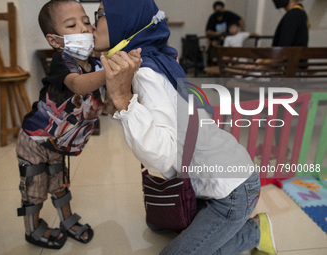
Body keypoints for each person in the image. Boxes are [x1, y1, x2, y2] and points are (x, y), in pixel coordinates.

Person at [93, 0, 277, 254]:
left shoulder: (145, 74)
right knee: (157, 223)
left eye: (99, 15)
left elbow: (164, 157)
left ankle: (254, 231)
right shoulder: (153, 57)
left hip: (233, 192)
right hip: (225, 174)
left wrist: (124, 102)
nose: (92, 25)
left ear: (123, 19)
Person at [16, 0, 141, 249]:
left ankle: (67, 219)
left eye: (86, 21)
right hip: (36, 139)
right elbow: (77, 85)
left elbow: (105, 102)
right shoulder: (63, 61)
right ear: (55, 41)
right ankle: (32, 228)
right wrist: (111, 70)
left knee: (60, 183)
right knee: (35, 187)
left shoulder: (96, 64)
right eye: (72, 25)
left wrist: (125, 78)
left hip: (59, 144)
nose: (84, 28)